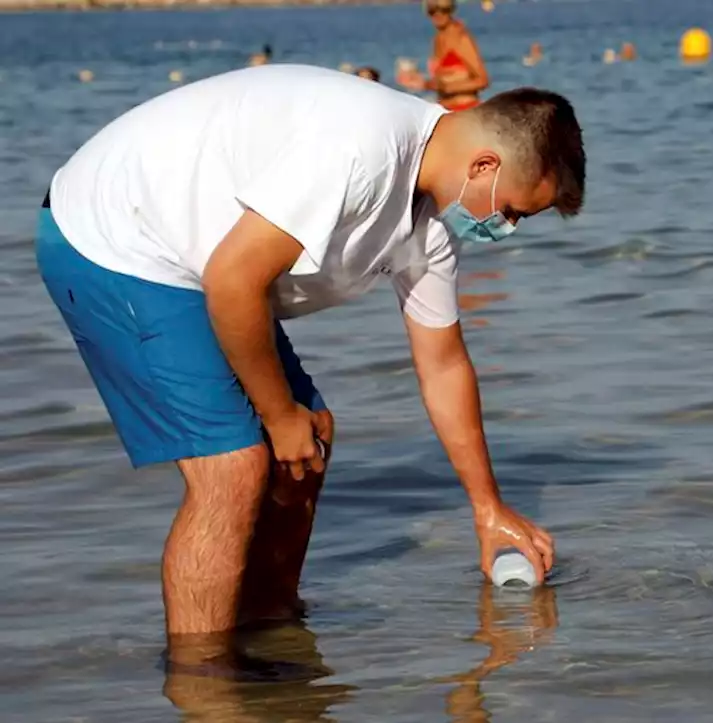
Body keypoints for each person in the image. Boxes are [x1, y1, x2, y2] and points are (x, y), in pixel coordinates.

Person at [35, 64, 584, 669]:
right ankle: (203, 684)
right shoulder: (359, 150)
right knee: (234, 468)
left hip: (206, 265)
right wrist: (275, 413)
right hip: (119, 236)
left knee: (309, 438)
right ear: (485, 166)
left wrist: (489, 509)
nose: (503, 229)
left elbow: (445, 365)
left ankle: (271, 634)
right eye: (512, 212)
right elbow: (232, 280)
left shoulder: (432, 223)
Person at [399, 0, 490, 111]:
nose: (438, 14)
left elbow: (482, 80)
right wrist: (422, 83)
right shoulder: (438, 38)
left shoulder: (460, 38)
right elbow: (441, 81)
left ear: (452, 10)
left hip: (465, 111)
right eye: (432, 10)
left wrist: (447, 87)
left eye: (444, 9)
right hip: (445, 110)